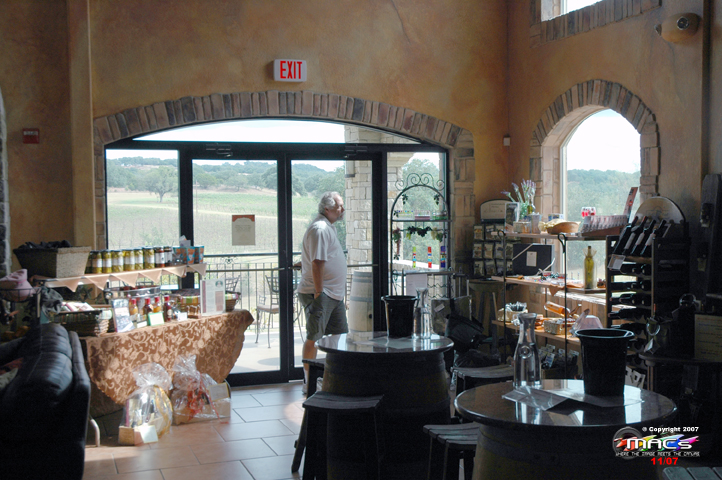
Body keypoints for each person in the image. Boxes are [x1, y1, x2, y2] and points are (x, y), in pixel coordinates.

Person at [297, 191, 348, 385]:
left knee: (339, 337)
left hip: (333, 295)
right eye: (339, 206)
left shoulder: (328, 227)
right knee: (314, 338)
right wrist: (319, 292)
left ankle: (334, 379)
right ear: (327, 208)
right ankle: (309, 382)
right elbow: (317, 262)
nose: (342, 209)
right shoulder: (320, 229)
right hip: (321, 293)